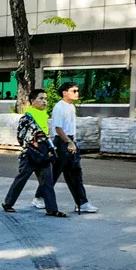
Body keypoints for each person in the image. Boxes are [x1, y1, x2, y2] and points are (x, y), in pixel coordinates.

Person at [0, 92, 64, 216]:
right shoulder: (27, 117)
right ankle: (8, 203)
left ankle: (52, 209)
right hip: (31, 154)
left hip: (43, 153)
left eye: (46, 98)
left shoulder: (44, 115)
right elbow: (20, 137)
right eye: (41, 98)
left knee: (47, 182)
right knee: (21, 179)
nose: (44, 101)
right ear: (32, 100)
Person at [49, 82, 98, 214]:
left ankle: (81, 202)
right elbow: (58, 129)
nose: (77, 93)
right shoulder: (59, 107)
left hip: (69, 140)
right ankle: (40, 197)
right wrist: (69, 142)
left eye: (77, 90)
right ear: (65, 92)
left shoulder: (70, 107)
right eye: (74, 91)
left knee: (75, 173)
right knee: (54, 173)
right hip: (62, 142)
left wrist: (72, 141)